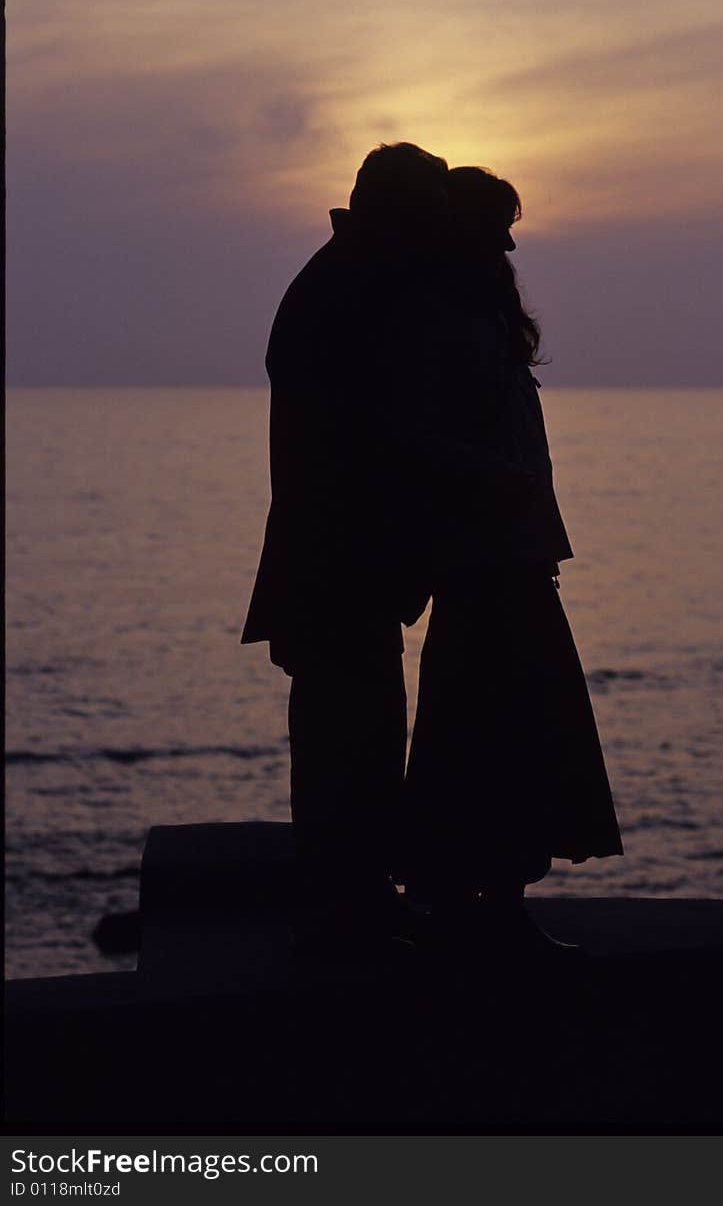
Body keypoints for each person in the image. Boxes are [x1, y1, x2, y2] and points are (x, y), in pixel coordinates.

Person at [395, 166, 623, 956]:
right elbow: (415, 439)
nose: (509, 239)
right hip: (485, 560)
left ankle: (486, 899)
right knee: (493, 727)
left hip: (514, 556)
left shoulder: (477, 321)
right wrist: (493, 481)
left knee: (508, 725)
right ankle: (478, 902)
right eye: (496, 223)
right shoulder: (441, 326)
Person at [241, 142, 448, 952]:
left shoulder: (342, 283)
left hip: (332, 559)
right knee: (349, 734)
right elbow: (362, 445)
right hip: (338, 560)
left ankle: (350, 893)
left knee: (351, 729)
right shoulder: (348, 294)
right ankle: (348, 901)